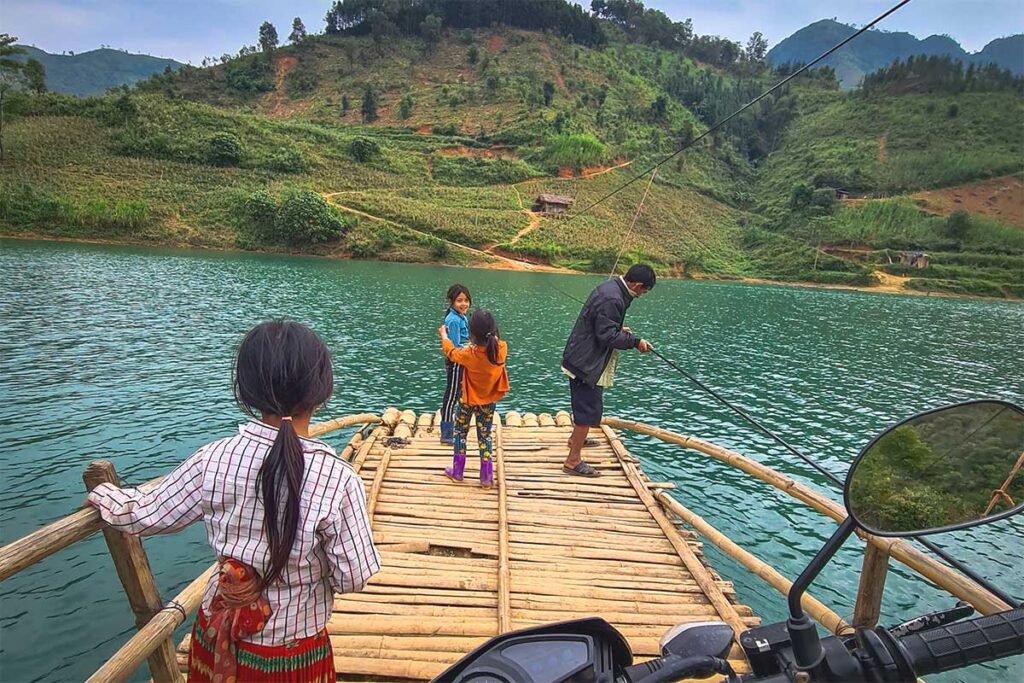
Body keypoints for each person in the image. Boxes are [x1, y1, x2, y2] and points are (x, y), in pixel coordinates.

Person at [86, 321, 380, 683]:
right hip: (290, 651)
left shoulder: (214, 458)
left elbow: (145, 515)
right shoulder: (338, 479)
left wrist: (104, 494)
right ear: (321, 392)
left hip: (217, 633)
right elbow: (354, 577)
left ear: (247, 390)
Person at [561, 264, 656, 477]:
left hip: (581, 356)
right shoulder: (614, 298)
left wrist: (617, 328)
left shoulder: (610, 288)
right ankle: (572, 460)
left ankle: (576, 439)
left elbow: (601, 324)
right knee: (587, 411)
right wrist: (635, 342)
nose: (641, 295)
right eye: (643, 291)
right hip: (585, 363)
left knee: (586, 407)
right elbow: (606, 336)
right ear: (638, 285)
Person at [439, 308, 510, 488]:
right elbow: (490, 347)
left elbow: (451, 352)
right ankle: (486, 477)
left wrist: (444, 336)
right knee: (485, 436)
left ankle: (458, 472)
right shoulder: (501, 349)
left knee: (460, 433)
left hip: (466, 402)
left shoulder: (469, 355)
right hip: (488, 402)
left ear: (471, 335)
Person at [440, 284, 472, 445]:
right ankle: (446, 433)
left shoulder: (461, 317)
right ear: (451, 301)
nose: (464, 304)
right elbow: (455, 346)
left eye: (466, 300)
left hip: (463, 361)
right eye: (459, 300)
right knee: (451, 397)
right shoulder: (453, 320)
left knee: (459, 395)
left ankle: (454, 428)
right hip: (456, 362)